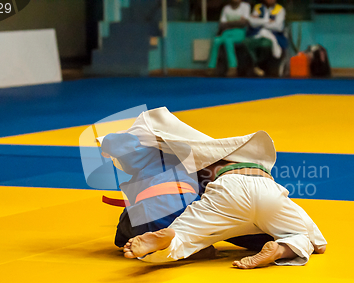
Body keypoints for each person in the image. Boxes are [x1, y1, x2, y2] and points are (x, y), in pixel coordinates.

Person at [99, 107, 274, 251]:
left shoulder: (148, 151)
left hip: (149, 211)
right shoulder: (193, 163)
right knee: (224, 224)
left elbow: (123, 146)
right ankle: (266, 239)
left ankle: (180, 246)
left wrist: (109, 142)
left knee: (125, 229)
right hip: (186, 211)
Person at [124, 159, 327, 269]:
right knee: (304, 239)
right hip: (269, 192)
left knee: (184, 237)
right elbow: (321, 246)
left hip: (227, 188)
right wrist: (309, 240)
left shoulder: (205, 160)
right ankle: (280, 250)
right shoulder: (259, 166)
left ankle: (171, 239)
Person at [207, 0, 251, 77]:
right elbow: (222, 25)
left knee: (228, 41)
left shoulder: (246, 6)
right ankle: (211, 67)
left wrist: (228, 23)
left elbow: (244, 23)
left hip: (239, 33)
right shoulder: (226, 8)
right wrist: (237, 22)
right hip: (226, 32)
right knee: (216, 41)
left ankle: (232, 67)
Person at [243, 0, 287, 76]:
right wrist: (267, 21)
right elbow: (252, 23)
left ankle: (261, 66)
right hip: (257, 35)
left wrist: (260, 23)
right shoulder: (258, 8)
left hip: (274, 36)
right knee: (246, 42)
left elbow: (279, 27)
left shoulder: (280, 9)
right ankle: (255, 65)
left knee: (265, 44)